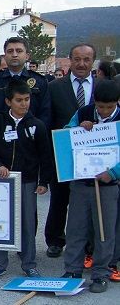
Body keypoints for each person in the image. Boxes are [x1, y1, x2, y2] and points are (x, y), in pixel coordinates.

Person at [0, 79, 51, 279]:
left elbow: (46, 156)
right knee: (1, 222)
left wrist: (43, 181)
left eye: (27, 99)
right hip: (2, 182)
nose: (24, 104)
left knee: (27, 224)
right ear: (8, 101)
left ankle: (29, 264)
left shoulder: (37, 125)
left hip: (26, 181)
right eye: (19, 100)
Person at [61, 80, 120, 293]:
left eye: (109, 107)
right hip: (81, 182)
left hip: (107, 185)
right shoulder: (84, 112)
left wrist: (113, 172)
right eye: (101, 106)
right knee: (76, 227)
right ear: (94, 102)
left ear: (117, 103)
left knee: (104, 230)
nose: (104, 111)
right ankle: (72, 269)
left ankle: (101, 273)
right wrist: (77, 128)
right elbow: (65, 134)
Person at [45, 44, 96, 258]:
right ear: (70, 60)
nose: (81, 63)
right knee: (59, 199)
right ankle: (55, 240)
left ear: (93, 61)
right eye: (77, 59)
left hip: (94, 156)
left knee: (89, 202)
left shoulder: (103, 86)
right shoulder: (55, 86)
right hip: (63, 154)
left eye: (86, 59)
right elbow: (48, 119)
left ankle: (89, 245)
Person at [0, 37, 50, 128]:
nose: (14, 54)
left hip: (30, 136)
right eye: (10, 51)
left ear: (27, 56)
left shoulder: (39, 82)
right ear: (5, 55)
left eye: (19, 51)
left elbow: (45, 114)